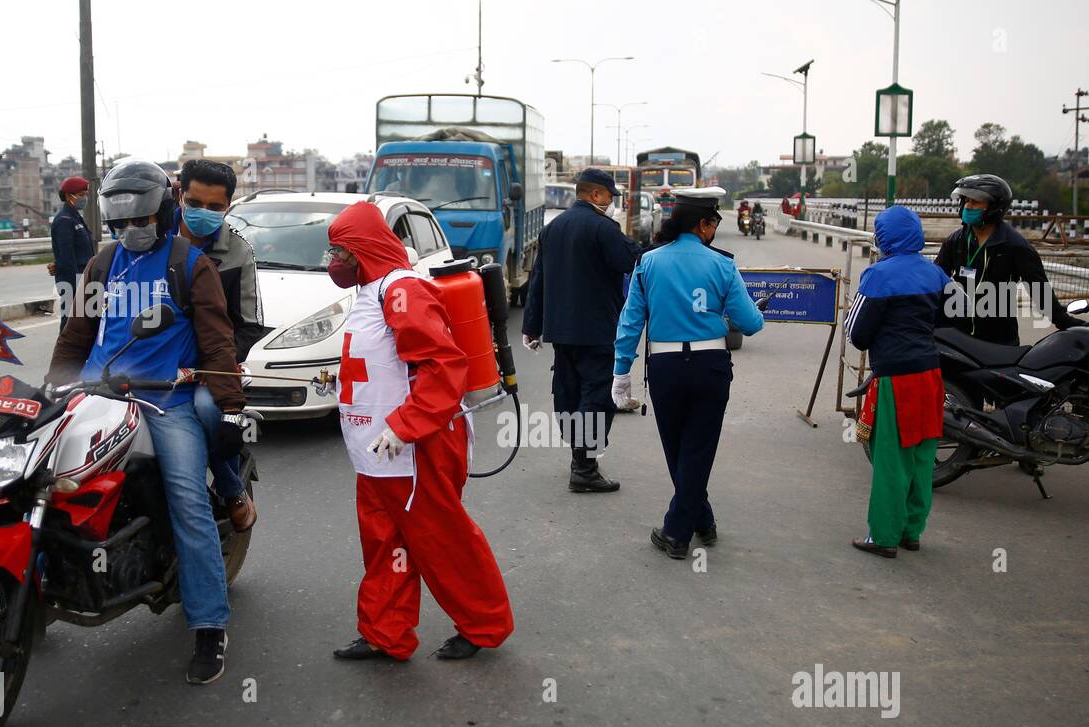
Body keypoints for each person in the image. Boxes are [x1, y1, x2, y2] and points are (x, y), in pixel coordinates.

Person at [46, 159, 247, 685]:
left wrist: (228, 406)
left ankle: (208, 625)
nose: (131, 231)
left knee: (186, 499)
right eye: (121, 223)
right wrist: (53, 390)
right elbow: (76, 334)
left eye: (141, 221)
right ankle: (36, 595)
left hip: (166, 400)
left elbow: (218, 341)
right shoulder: (101, 263)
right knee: (36, 481)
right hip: (94, 396)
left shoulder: (190, 264)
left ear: (161, 212)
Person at [326, 202, 514, 662]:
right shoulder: (372, 291)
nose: (333, 261)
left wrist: (406, 427)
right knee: (385, 540)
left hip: (416, 446)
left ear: (362, 249)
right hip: (377, 450)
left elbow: (444, 365)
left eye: (340, 250)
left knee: (441, 538)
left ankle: (483, 624)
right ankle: (384, 633)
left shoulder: (402, 290)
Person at [612, 186, 764, 559]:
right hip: (710, 367)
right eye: (712, 223)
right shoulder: (723, 264)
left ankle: (687, 526)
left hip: (664, 369)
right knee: (697, 449)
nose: (713, 231)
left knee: (679, 449)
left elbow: (630, 323)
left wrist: (620, 372)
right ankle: (689, 528)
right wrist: (744, 312)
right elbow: (750, 323)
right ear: (701, 225)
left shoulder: (648, 263)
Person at [523, 168, 642, 492]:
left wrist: (531, 327)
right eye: (609, 197)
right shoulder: (603, 228)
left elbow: (538, 280)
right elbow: (632, 261)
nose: (612, 203)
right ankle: (584, 467)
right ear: (596, 195)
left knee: (570, 393)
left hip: (561, 331)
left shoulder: (552, 229)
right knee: (598, 395)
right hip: (597, 330)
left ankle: (581, 457)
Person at [845, 205, 950, 558]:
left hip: (896, 379)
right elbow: (953, 316)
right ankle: (911, 530)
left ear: (883, 237)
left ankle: (884, 536)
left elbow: (857, 333)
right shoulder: (936, 273)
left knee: (891, 457)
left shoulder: (878, 275)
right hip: (931, 375)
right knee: (922, 453)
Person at [175, 159, 262, 533]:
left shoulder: (239, 253)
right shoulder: (155, 241)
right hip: (154, 364)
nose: (203, 214)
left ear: (228, 206)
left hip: (210, 369)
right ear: (179, 195)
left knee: (207, 412)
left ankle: (231, 488)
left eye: (215, 207)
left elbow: (249, 325)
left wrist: (214, 366)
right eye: (195, 204)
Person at [935, 173, 1081, 345]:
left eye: (975, 202)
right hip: (959, 337)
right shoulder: (956, 241)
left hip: (999, 341)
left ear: (994, 207)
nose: (968, 206)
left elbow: (1040, 291)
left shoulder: (1015, 246)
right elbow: (935, 279)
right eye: (965, 200)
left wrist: (1068, 323)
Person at [48, 176, 93, 331]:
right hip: (73, 282)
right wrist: (76, 287)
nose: (84, 198)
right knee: (70, 325)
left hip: (83, 280)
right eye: (81, 195)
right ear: (69, 196)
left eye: (85, 195)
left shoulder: (76, 218)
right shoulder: (64, 221)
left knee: (85, 324)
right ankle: (63, 355)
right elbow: (66, 258)